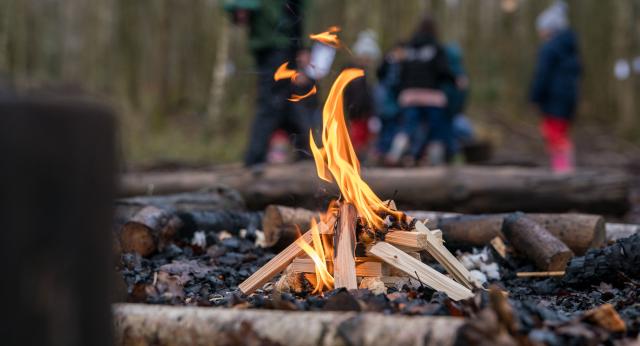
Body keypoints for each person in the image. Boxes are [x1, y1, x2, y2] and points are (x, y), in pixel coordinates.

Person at [224, 0, 310, 167]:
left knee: (277, 99)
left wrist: (300, 46)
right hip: (269, 41)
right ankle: (304, 152)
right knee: (280, 100)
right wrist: (238, 10)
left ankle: (257, 157)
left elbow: (295, 7)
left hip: (279, 42)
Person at [389, 15, 454, 166]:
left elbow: (401, 72)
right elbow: (443, 70)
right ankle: (435, 162)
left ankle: (395, 154)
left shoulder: (409, 48)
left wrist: (402, 89)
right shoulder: (437, 48)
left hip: (410, 95)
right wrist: (454, 80)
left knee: (407, 127)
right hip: (432, 96)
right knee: (435, 129)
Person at [530, 1, 581, 173]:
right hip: (568, 100)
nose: (539, 32)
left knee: (556, 138)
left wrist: (535, 96)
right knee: (559, 137)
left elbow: (542, 76)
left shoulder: (550, 49)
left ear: (549, 28)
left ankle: (563, 174)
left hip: (554, 101)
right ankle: (563, 170)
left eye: (541, 28)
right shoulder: (570, 49)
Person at [343, 30, 382, 158]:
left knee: (363, 137)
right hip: (358, 113)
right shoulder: (355, 73)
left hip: (363, 113)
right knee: (357, 137)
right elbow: (356, 95)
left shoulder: (363, 74)